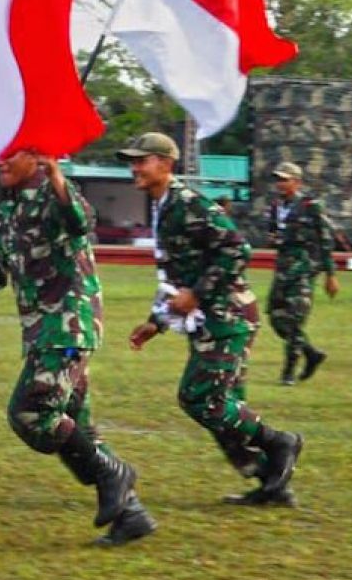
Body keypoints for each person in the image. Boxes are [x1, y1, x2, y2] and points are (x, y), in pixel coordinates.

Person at [0, 151, 155, 546]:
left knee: (31, 412)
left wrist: (58, 177)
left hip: (67, 326)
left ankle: (114, 473)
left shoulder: (55, 194)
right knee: (76, 427)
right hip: (43, 331)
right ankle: (131, 514)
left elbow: (81, 221)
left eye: (10, 155)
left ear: (36, 158)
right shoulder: (11, 209)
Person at [119, 133, 305, 507]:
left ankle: (279, 442)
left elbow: (238, 249)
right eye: (133, 161)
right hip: (211, 317)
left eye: (143, 160)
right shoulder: (163, 207)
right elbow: (177, 274)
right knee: (226, 408)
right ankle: (273, 485)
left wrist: (198, 293)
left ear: (166, 164)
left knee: (200, 397)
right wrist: (156, 321)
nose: (135, 168)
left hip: (228, 315)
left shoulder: (188, 204)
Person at [267, 162, 340, 385]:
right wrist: (274, 239)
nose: (280, 184)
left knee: (294, 319)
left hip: (304, 269)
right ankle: (311, 354)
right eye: (278, 179)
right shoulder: (276, 207)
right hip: (283, 269)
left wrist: (330, 274)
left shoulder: (310, 206)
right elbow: (273, 233)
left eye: (285, 179)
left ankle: (288, 373)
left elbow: (326, 239)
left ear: (296, 182)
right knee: (276, 318)